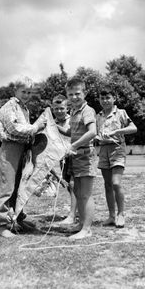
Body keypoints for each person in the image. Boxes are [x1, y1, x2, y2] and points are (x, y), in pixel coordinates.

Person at [0, 78, 47, 238]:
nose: (27, 95)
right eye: (24, 91)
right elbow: (14, 128)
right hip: (11, 149)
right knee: (6, 186)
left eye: (29, 92)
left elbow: (24, 129)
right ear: (15, 90)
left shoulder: (24, 108)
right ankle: (2, 225)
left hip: (23, 148)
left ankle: (17, 218)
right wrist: (35, 127)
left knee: (20, 186)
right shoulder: (9, 107)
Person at [57, 78, 97, 240]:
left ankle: (87, 229)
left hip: (85, 155)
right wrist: (54, 126)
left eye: (77, 93)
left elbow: (92, 132)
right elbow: (71, 133)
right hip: (75, 157)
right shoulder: (74, 111)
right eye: (70, 94)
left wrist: (73, 146)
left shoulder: (87, 110)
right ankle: (81, 225)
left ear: (84, 93)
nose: (74, 97)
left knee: (86, 194)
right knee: (79, 193)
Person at [96, 87, 137, 228]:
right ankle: (111, 216)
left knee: (116, 183)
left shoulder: (121, 113)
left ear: (114, 98)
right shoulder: (98, 116)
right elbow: (94, 134)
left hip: (118, 149)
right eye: (102, 98)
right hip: (103, 150)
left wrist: (117, 131)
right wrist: (98, 137)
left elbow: (134, 128)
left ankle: (121, 214)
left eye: (108, 98)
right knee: (107, 184)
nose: (105, 101)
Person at [50, 94, 78, 225]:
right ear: (52, 109)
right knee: (68, 186)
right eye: (56, 109)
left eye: (62, 108)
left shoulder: (72, 119)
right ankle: (77, 211)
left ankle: (72, 215)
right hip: (62, 159)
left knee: (73, 185)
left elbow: (71, 133)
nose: (59, 111)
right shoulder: (51, 124)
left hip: (75, 155)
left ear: (67, 108)